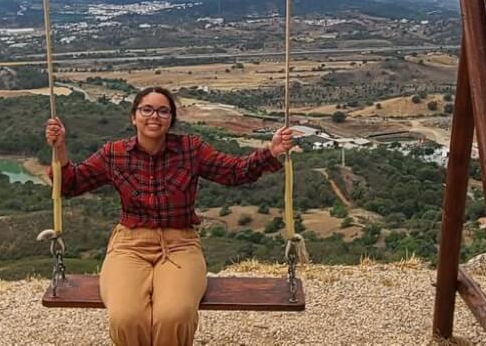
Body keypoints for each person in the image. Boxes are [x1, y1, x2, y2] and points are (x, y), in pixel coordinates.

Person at [45, 85, 297, 346]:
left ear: (171, 119)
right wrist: (60, 147)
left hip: (181, 244)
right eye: (147, 109)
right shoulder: (114, 154)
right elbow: (70, 184)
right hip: (129, 244)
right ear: (134, 117)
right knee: (126, 317)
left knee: (174, 315)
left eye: (163, 111)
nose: (154, 116)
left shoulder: (191, 149)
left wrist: (271, 151)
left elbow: (235, 172)